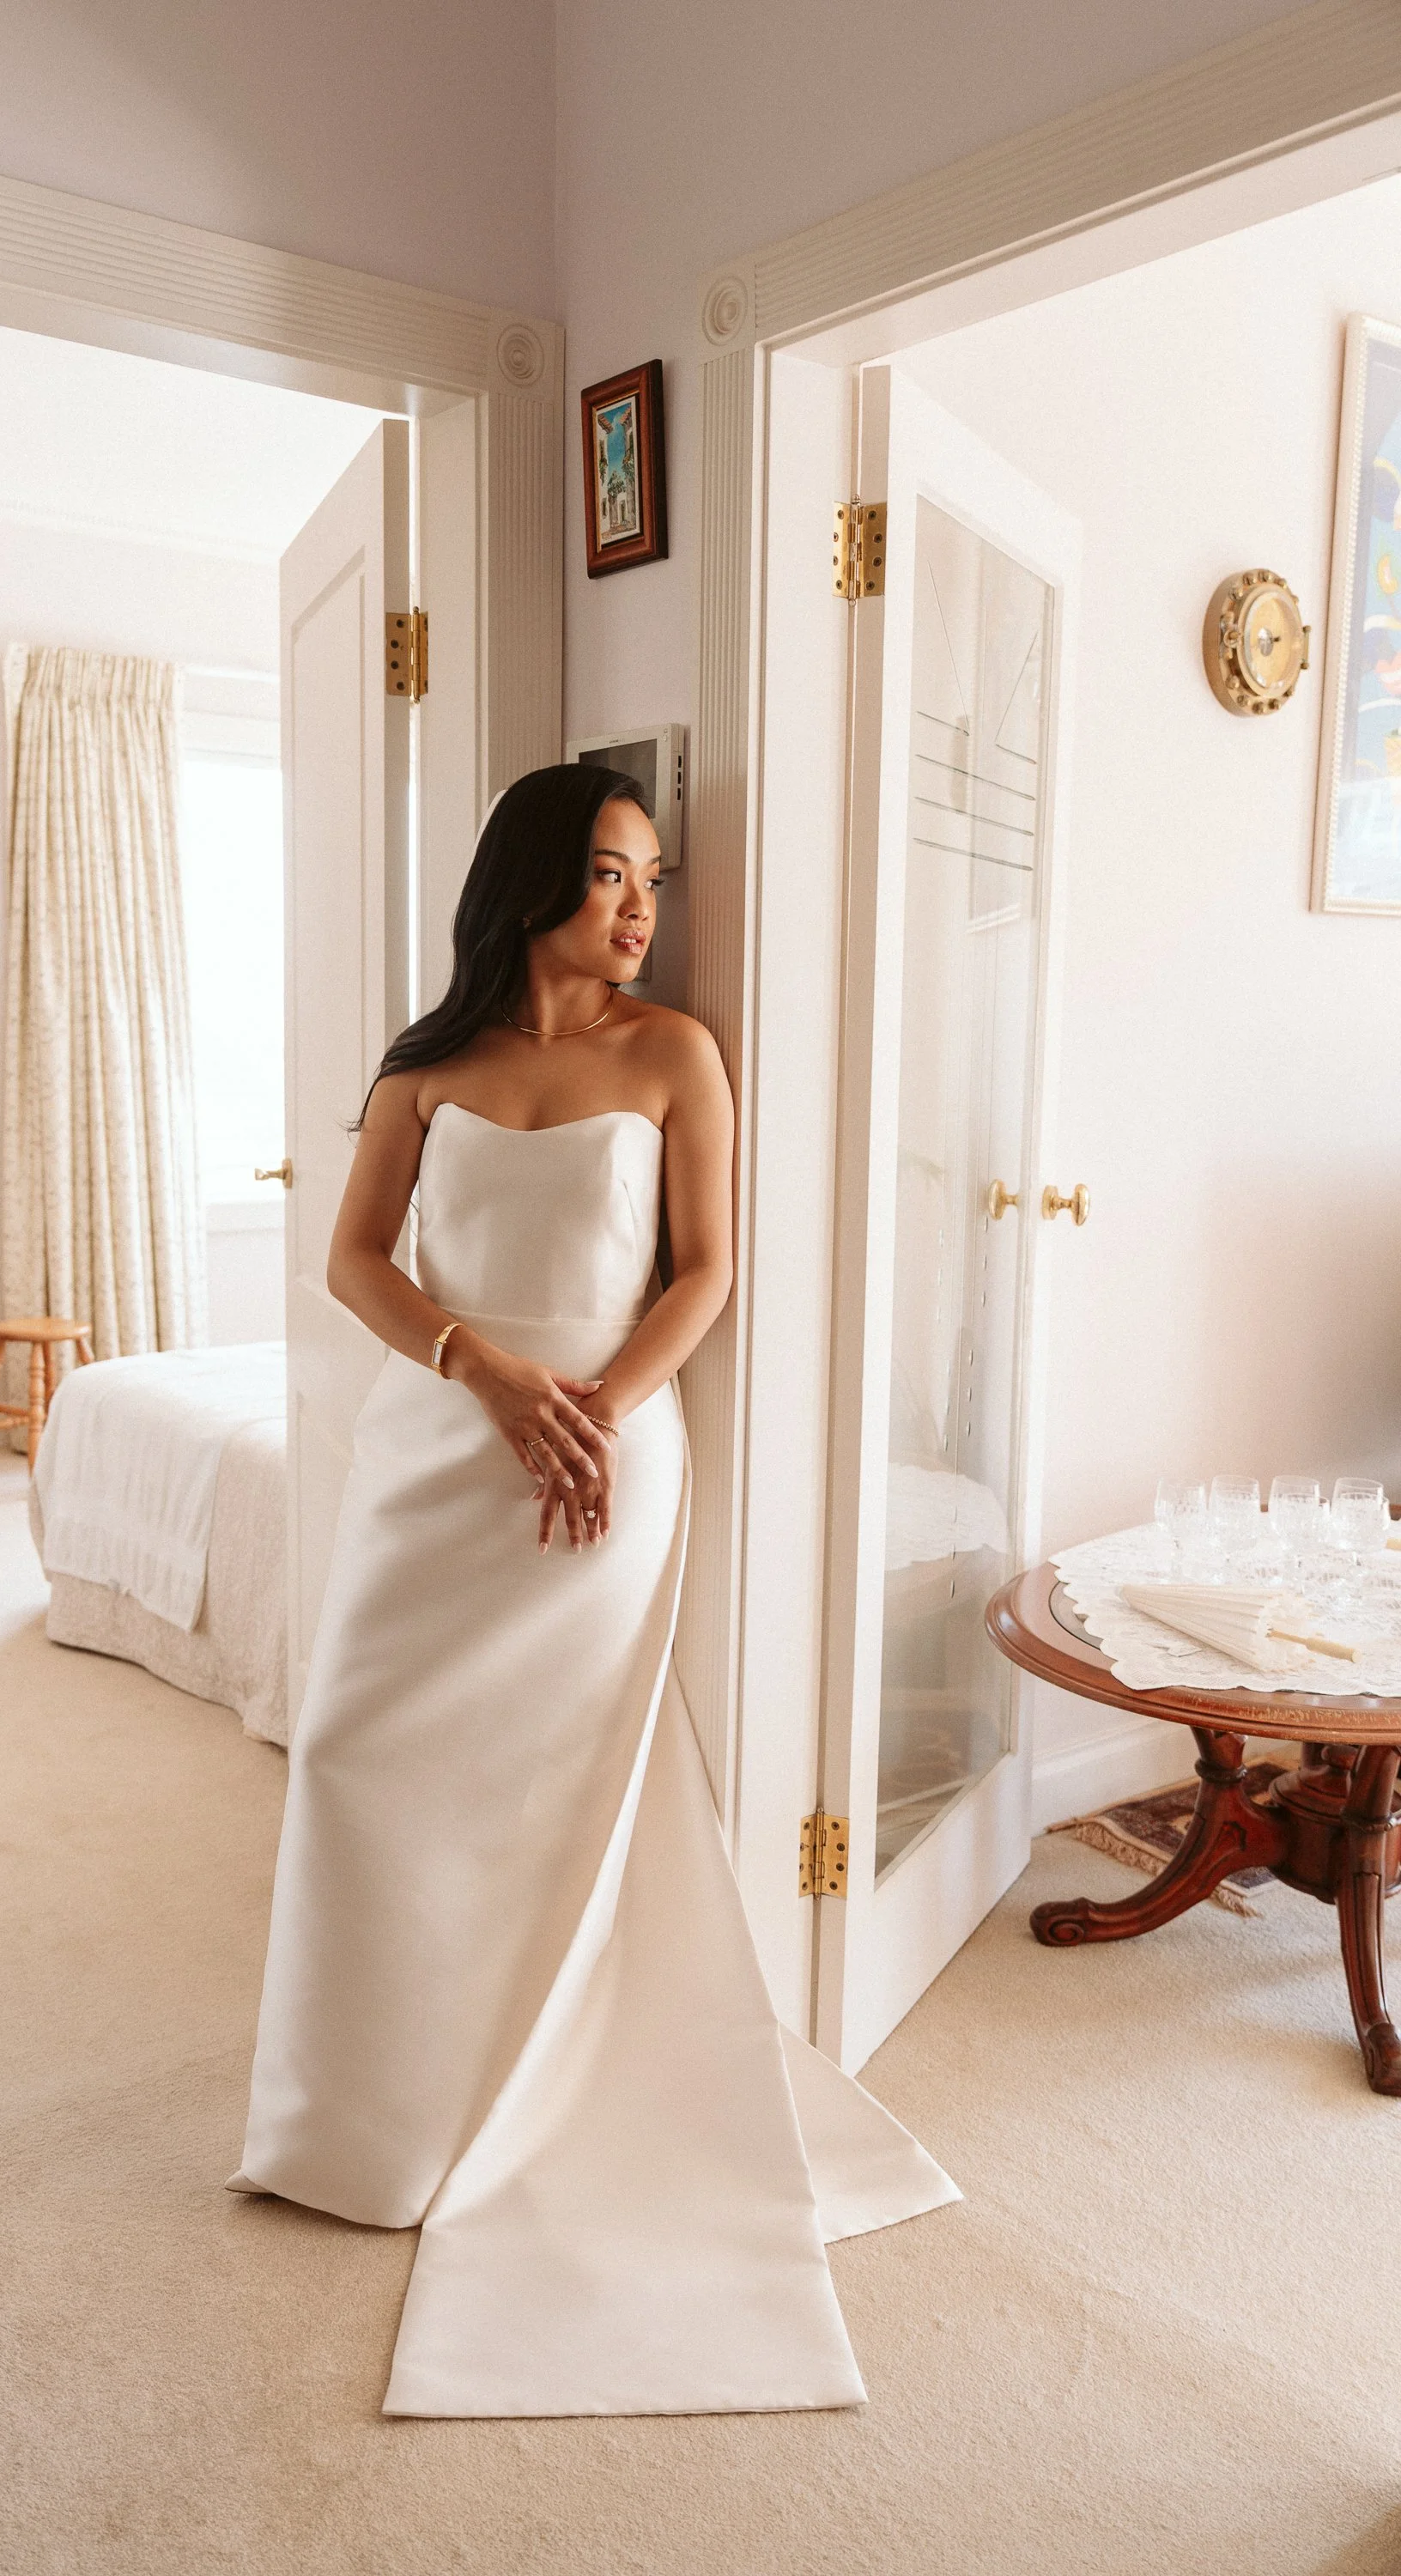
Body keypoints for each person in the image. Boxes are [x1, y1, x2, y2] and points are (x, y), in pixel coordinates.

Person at [230, 764, 955, 2417]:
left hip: (608, 1462)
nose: (644, 909)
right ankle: (363, 2123)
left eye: (653, 880)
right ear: (537, 878)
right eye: (617, 877)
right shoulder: (428, 1071)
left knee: (555, 1787)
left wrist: (599, 1416)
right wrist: (487, 1377)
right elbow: (354, 1260)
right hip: (444, 1449)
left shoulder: (676, 1054)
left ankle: (538, 2095)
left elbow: (705, 1270)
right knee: (358, 1758)